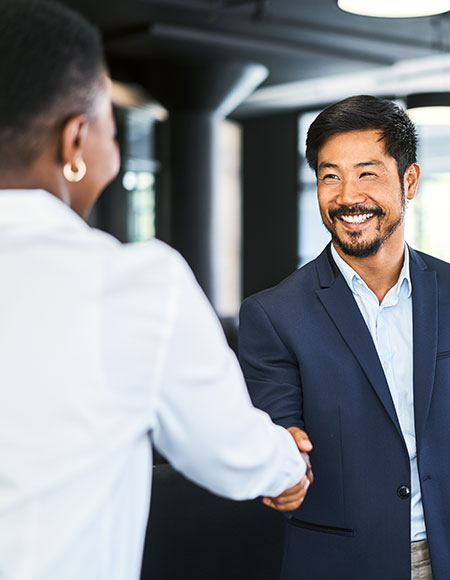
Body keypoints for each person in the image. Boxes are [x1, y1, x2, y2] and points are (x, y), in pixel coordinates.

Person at [0, 2, 311, 579]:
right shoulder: (131, 285)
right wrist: (288, 463)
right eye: (111, 133)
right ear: (74, 142)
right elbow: (231, 453)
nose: (113, 156)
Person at [238, 95, 450, 579]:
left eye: (367, 173)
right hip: (341, 567)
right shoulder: (272, 315)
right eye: (329, 176)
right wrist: (280, 463)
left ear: (410, 181)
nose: (346, 196)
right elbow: (278, 439)